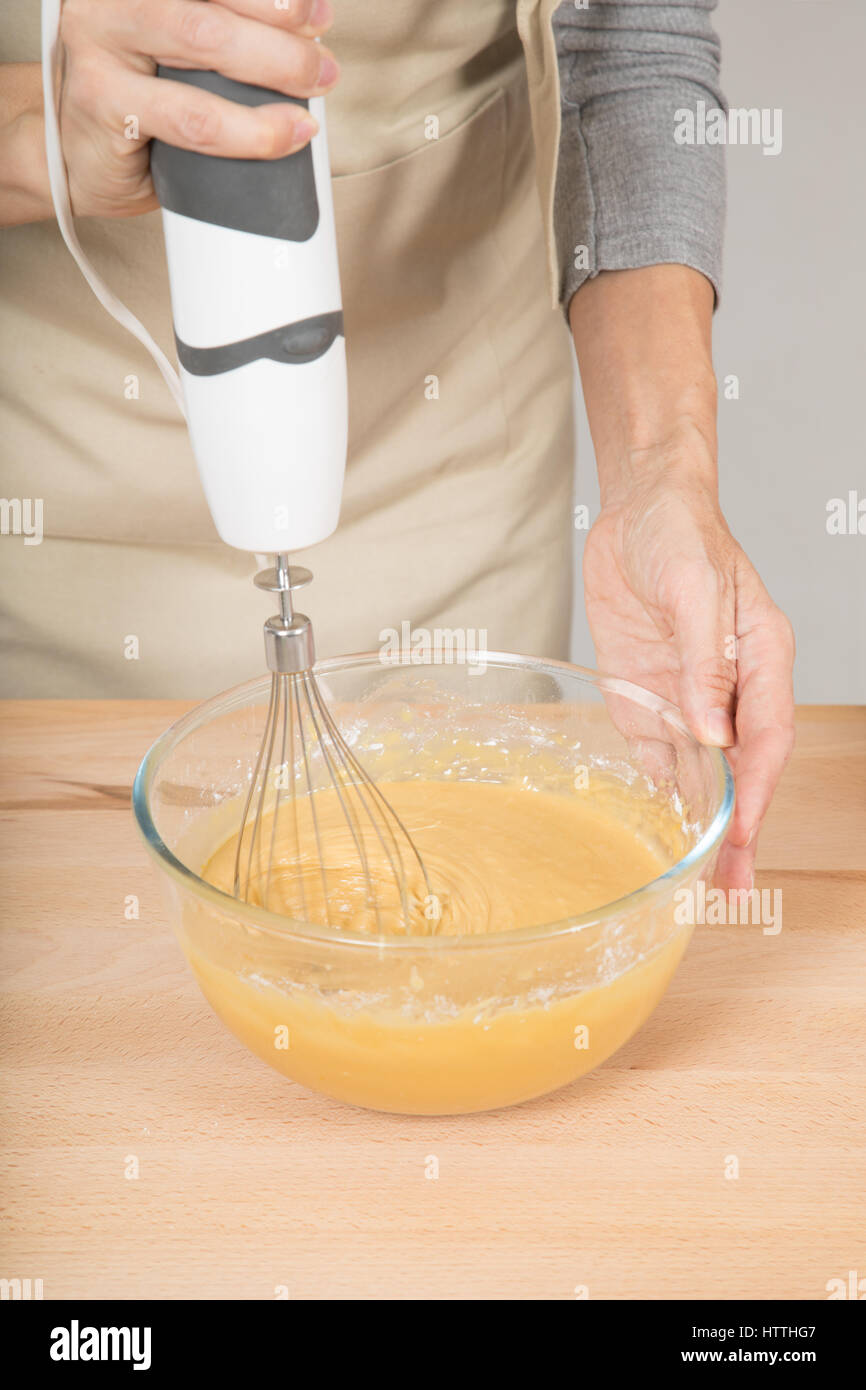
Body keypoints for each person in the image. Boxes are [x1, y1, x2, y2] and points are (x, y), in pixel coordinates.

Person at [0, 0, 794, 892]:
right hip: (52, 498)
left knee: (484, 874)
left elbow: (629, 42)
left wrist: (661, 478)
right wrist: (37, 139)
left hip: (450, 444)